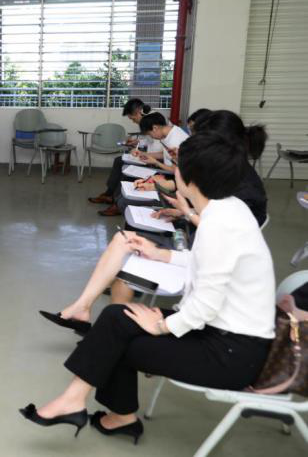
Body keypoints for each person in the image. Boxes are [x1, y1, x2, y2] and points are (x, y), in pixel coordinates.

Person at [22, 132, 275, 442]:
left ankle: (107, 412)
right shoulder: (228, 209)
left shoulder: (219, 225)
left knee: (120, 341)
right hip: (224, 334)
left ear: (189, 178)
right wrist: (159, 254)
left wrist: (162, 327)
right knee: (115, 317)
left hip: (230, 354)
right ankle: (79, 402)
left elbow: (206, 306)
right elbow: (207, 263)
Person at [89, 99, 165, 216]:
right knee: (119, 160)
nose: (134, 122)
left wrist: (142, 153)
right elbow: (150, 140)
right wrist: (136, 142)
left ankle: (118, 204)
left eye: (133, 119)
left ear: (139, 112)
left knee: (127, 168)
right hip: (150, 155)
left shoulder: (153, 120)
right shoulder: (149, 118)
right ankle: (109, 194)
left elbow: (158, 147)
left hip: (155, 159)